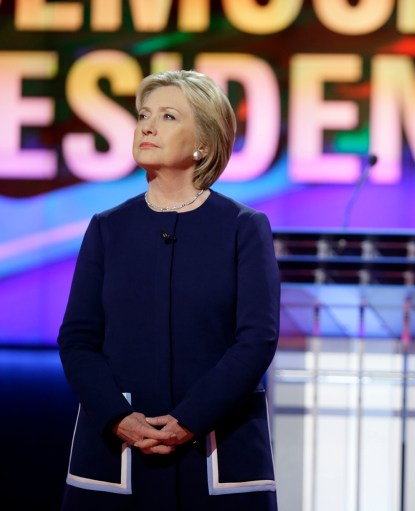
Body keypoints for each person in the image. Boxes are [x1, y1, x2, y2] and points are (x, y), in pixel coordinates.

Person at [58, 70, 280, 510]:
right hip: (118, 454)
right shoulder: (107, 228)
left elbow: (257, 339)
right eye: (144, 115)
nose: (147, 126)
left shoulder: (243, 228)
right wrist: (118, 417)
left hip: (217, 452)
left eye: (168, 116)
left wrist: (191, 419)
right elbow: (78, 339)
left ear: (204, 142)